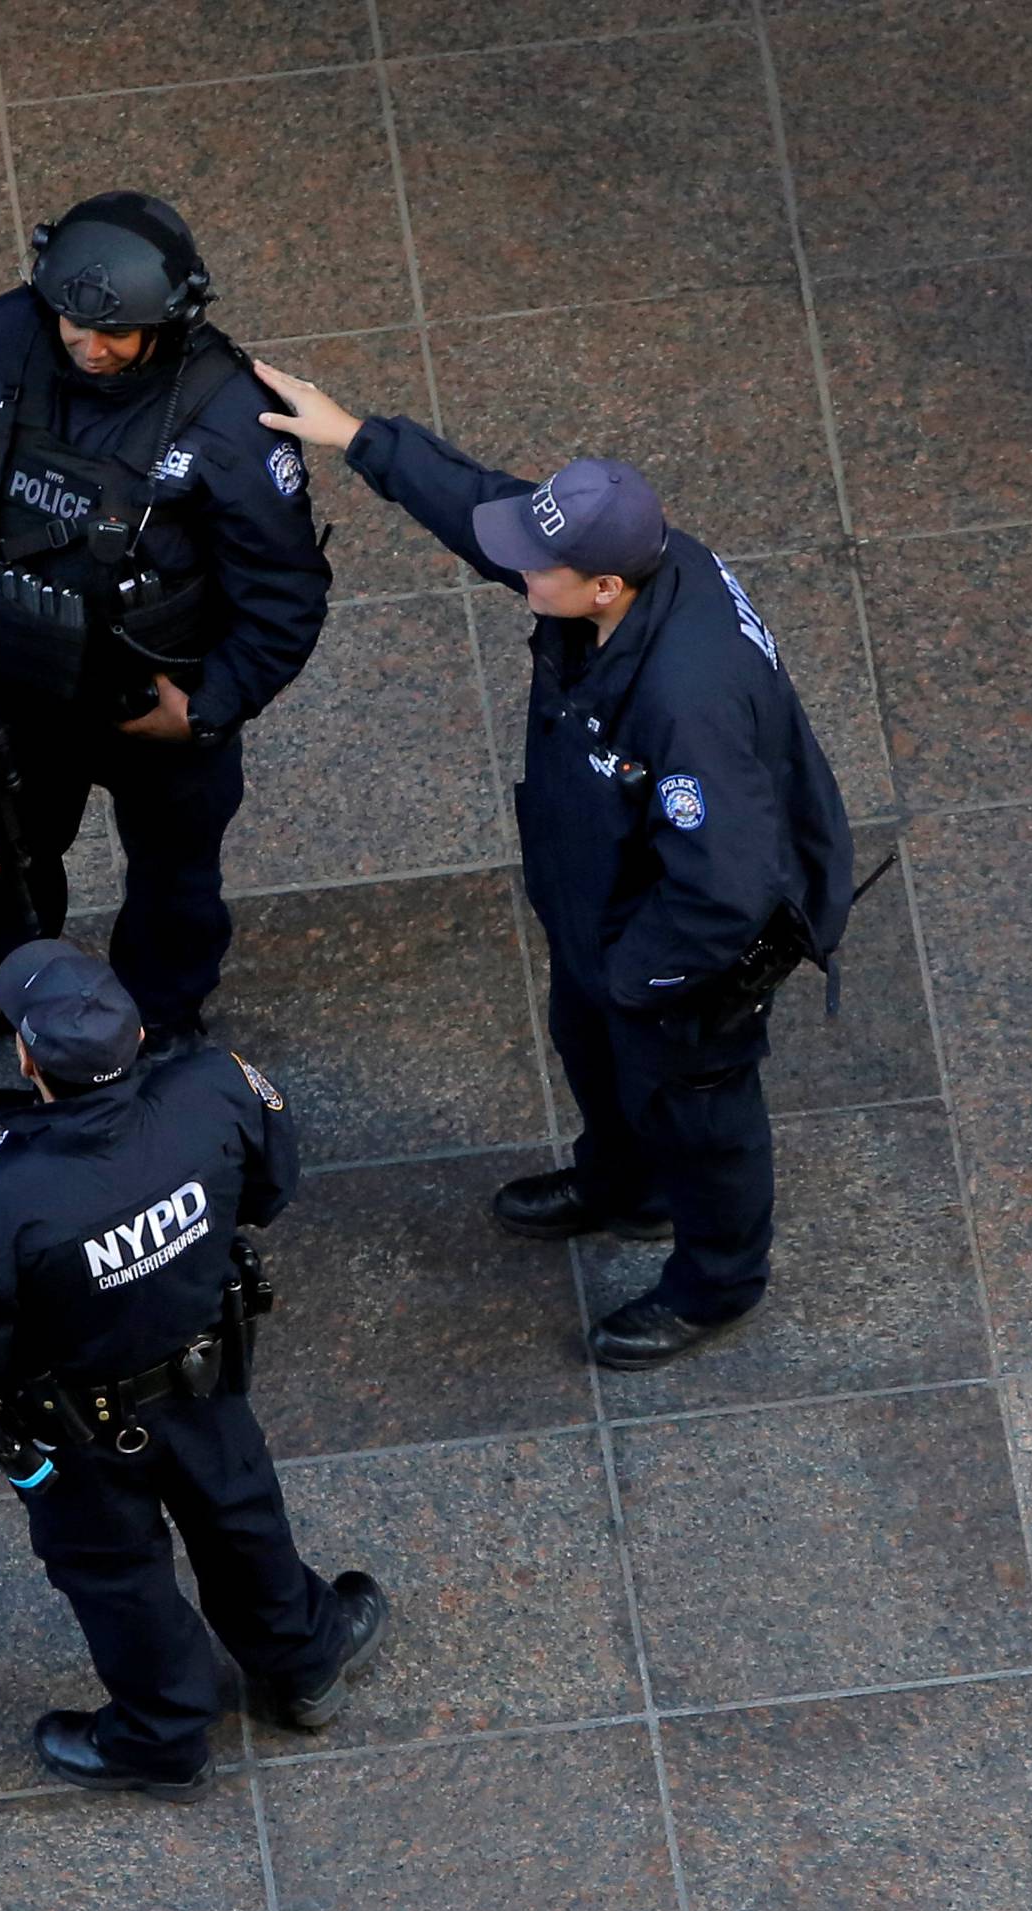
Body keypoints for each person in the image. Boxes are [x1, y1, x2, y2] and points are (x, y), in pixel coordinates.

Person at [255, 365, 854, 1371]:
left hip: (681, 957)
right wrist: (358, 436)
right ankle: (626, 1187)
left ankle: (716, 1282)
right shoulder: (623, 567)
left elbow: (729, 885)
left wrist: (634, 977)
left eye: (540, 568)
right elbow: (493, 507)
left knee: (701, 1118)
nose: (518, 576)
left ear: (604, 586)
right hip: (607, 906)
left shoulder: (684, 700)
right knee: (591, 1052)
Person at [0, 939, 388, 1799]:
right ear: (138, 1030)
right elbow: (272, 1187)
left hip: (72, 1426)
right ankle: (305, 1663)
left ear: (26, 1056)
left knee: (116, 1574)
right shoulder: (217, 1089)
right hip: (204, 1372)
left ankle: (162, 1734)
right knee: (240, 1511)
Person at [0, 190, 331, 1049]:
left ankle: (159, 1024)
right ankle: (21, 1003)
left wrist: (205, 708)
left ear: (168, 321)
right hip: (9, 684)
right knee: (0, 861)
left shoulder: (233, 417)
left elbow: (285, 592)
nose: (91, 348)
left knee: (174, 884)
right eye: (73, 327)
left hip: (153, 704)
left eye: (116, 334)